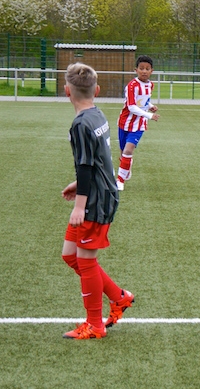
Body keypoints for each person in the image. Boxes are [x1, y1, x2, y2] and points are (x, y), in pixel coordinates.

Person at [61, 63, 134, 340]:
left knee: (85, 260)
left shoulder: (81, 123)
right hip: (98, 191)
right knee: (71, 255)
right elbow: (96, 160)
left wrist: (80, 205)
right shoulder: (97, 113)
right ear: (97, 90)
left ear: (67, 91)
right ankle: (119, 297)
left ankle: (95, 324)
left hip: (96, 200)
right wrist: (79, 184)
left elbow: (85, 165)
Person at [116, 55, 159, 191]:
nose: (144, 71)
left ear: (151, 71)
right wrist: (150, 115)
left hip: (139, 124)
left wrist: (150, 106)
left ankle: (120, 180)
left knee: (128, 150)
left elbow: (144, 101)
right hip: (124, 122)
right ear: (136, 70)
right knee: (123, 152)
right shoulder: (132, 86)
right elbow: (131, 106)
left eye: (147, 69)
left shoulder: (150, 85)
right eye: (141, 68)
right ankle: (126, 167)